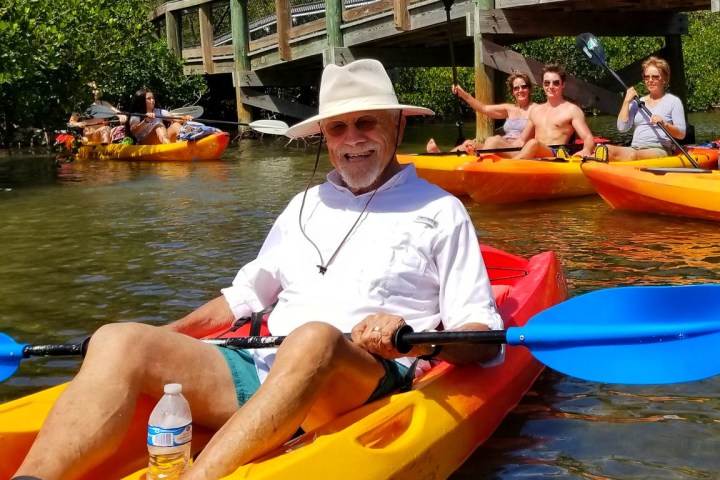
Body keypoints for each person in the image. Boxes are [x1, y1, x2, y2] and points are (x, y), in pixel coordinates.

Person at [13, 59, 504, 480]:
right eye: (337, 127)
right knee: (119, 337)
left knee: (313, 336)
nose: (352, 140)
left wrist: (418, 337)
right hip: (263, 372)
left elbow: (480, 333)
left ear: (397, 125)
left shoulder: (441, 211)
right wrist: (165, 338)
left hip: (358, 381)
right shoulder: (302, 206)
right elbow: (243, 297)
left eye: (366, 123)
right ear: (323, 137)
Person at [485, 64, 595, 159]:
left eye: (556, 83)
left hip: (555, 155)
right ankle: (479, 166)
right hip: (531, 153)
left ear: (563, 84)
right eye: (547, 83)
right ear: (543, 84)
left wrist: (586, 150)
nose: (551, 87)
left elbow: (587, 138)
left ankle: (509, 167)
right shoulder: (536, 110)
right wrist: (502, 143)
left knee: (533, 143)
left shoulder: (572, 110)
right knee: (493, 140)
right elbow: (521, 141)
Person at [427, 72, 536, 155]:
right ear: (513, 92)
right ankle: (443, 156)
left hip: (517, 151)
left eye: (524, 87)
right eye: (516, 88)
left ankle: (480, 159)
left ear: (529, 89)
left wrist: (501, 142)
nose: (520, 90)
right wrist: (462, 93)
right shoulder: (509, 108)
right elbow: (483, 108)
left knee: (493, 140)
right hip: (498, 146)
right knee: (468, 143)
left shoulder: (536, 109)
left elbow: (524, 141)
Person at [605, 56, 686, 161]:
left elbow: (681, 134)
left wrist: (665, 125)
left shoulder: (673, 101)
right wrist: (626, 102)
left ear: (665, 79)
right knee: (606, 149)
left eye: (655, 77)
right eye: (646, 77)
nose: (650, 80)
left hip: (659, 149)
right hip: (635, 148)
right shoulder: (637, 102)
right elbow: (622, 127)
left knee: (633, 156)